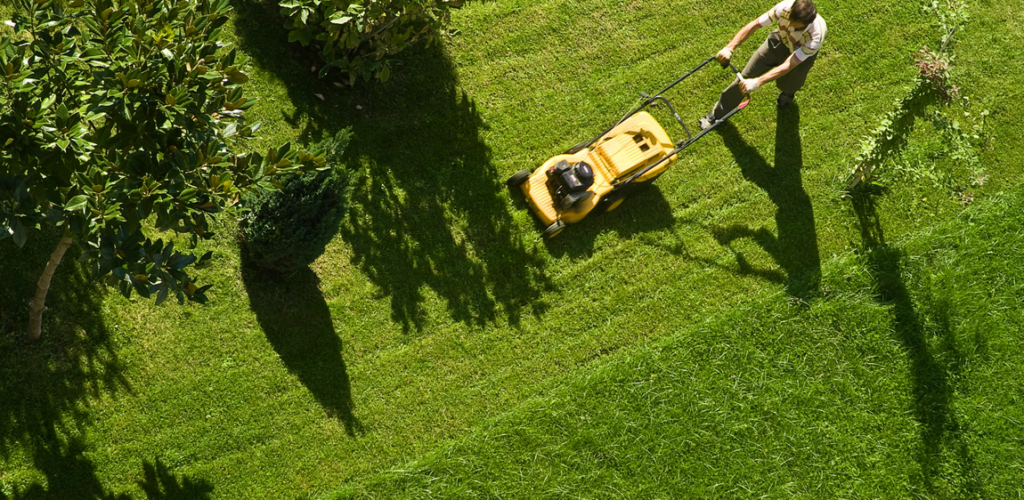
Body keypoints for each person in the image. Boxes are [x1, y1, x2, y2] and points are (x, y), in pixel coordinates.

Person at [700, 0, 827, 130]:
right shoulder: (785, 7)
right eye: (789, 19)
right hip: (778, 41)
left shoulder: (816, 35)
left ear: (807, 23)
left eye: (795, 24)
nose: (788, 24)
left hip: (799, 55)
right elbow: (755, 24)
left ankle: (788, 93)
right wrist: (729, 48)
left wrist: (758, 82)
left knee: (788, 84)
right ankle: (717, 114)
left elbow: (790, 63)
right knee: (744, 78)